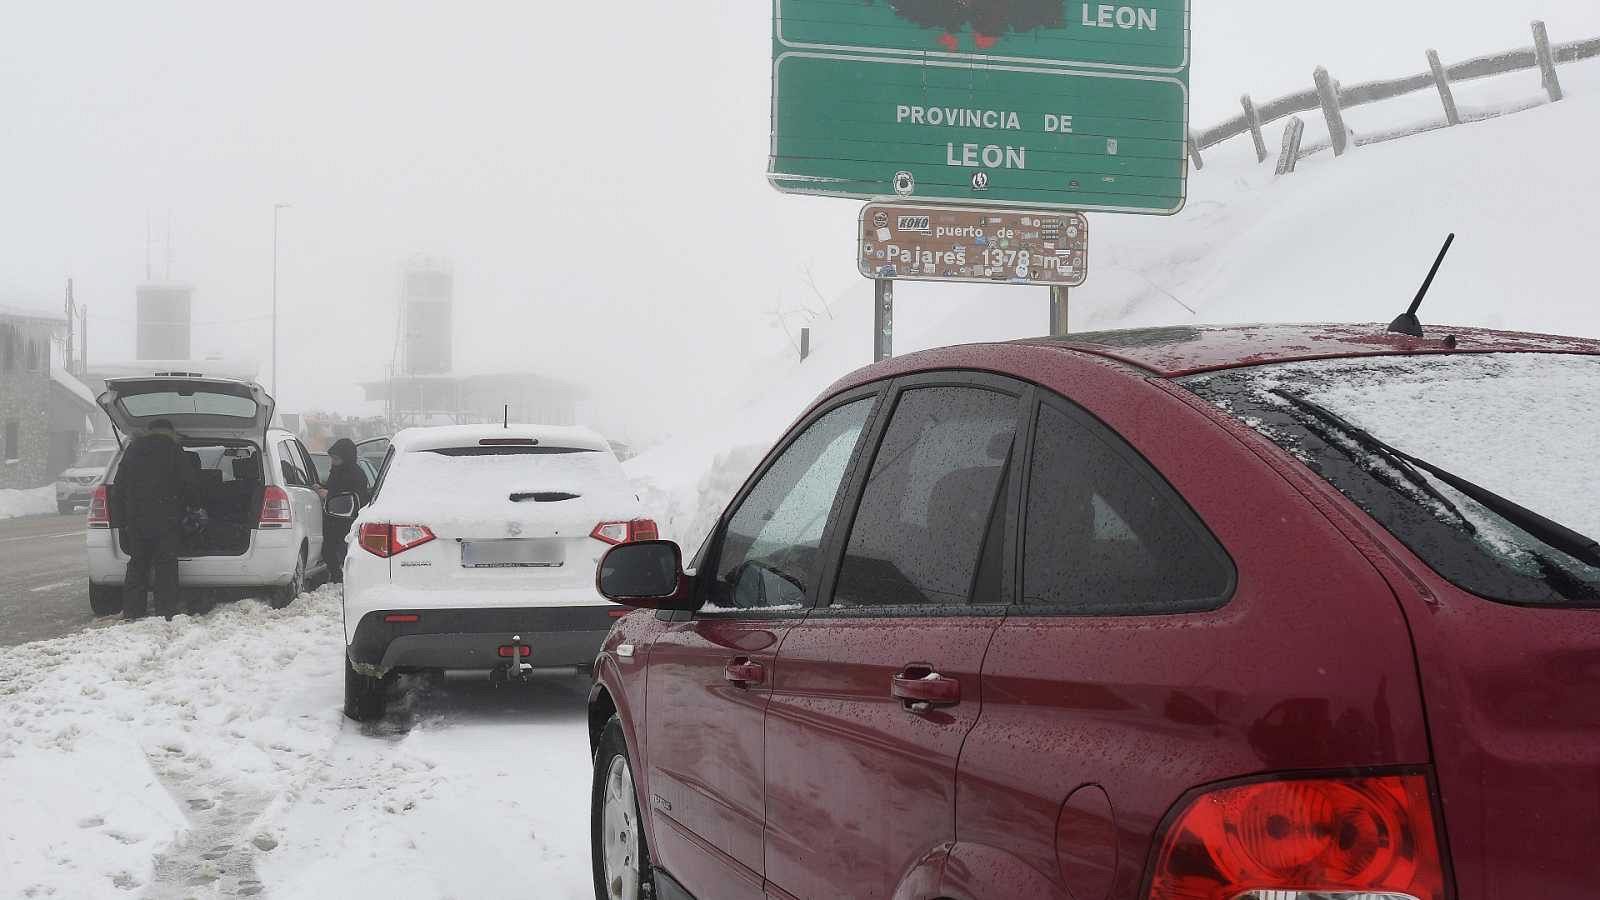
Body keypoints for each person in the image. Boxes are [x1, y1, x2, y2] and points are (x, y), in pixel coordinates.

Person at [112, 419, 198, 620]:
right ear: (170, 431)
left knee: (137, 564)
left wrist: (120, 520)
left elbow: (118, 487)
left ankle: (133, 611)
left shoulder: (132, 451)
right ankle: (165, 611)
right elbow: (189, 484)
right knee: (165, 565)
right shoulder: (174, 451)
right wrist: (193, 506)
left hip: (135, 519)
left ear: (149, 431)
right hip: (166, 518)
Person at [322, 438, 371, 583]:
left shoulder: (356, 474)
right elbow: (332, 486)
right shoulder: (336, 471)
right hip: (333, 518)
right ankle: (337, 577)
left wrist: (329, 495)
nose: (333, 462)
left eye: (336, 459)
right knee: (328, 550)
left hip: (349, 520)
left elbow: (355, 495)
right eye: (332, 458)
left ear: (346, 458)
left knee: (346, 551)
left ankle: (346, 579)